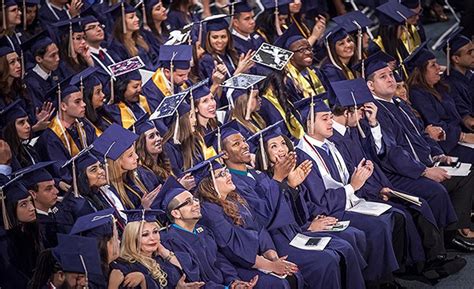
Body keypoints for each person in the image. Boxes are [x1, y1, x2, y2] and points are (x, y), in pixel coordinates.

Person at [209, 121, 367, 289]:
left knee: (345, 246)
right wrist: (279, 181)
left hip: (291, 231)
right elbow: (263, 217)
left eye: (243, 140)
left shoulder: (256, 174)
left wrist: (292, 187)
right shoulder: (234, 184)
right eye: (236, 143)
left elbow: (284, 206)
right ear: (224, 155)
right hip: (276, 241)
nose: (244, 145)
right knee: (327, 260)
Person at [360, 50, 474, 250]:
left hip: (419, 166)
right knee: (435, 191)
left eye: (390, 75)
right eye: (383, 76)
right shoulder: (374, 112)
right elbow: (391, 153)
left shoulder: (399, 105)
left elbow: (421, 135)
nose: (391, 79)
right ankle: (443, 243)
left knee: (466, 174)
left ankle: (456, 230)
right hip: (397, 175)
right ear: (370, 86)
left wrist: (437, 155)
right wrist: (424, 171)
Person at [293, 97, 405, 287]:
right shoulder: (304, 156)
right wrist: (353, 186)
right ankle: (375, 282)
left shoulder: (330, 146)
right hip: (329, 211)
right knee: (378, 226)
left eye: (330, 117)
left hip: (345, 202)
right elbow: (318, 201)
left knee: (391, 215)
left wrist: (362, 173)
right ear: (309, 123)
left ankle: (384, 278)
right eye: (324, 118)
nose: (330, 122)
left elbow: (347, 179)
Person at [160, 175, 260, 288]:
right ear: (176, 213)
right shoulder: (170, 240)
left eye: (195, 199)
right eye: (188, 202)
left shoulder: (203, 231)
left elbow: (220, 262)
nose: (196, 203)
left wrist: (234, 282)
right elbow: (194, 281)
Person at [406, 43, 474, 163]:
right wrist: (463, 136)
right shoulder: (417, 94)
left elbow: (458, 111)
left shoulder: (440, 86)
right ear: (421, 71)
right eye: (433, 65)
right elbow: (434, 125)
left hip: (459, 137)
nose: (438, 67)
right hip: (446, 144)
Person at [109, 209, 203, 289]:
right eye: (145, 234)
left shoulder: (159, 259)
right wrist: (144, 281)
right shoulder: (127, 267)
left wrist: (164, 252)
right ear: (132, 238)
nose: (153, 238)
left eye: (155, 232)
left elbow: (189, 273)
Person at [35, 78, 97, 187]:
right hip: (75, 188)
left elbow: (97, 151)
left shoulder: (84, 125)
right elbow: (63, 173)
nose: (84, 104)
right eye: (77, 102)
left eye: (82, 100)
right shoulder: (51, 138)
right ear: (63, 106)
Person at [92, 123, 161, 211]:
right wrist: (143, 208)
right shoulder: (110, 193)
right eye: (130, 155)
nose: (136, 157)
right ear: (117, 162)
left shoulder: (136, 176)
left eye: (134, 152)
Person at [134, 114, 196, 191]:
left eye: (157, 134)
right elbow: (159, 200)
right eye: (151, 136)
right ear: (142, 144)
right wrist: (181, 187)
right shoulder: (144, 173)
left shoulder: (163, 163)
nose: (158, 138)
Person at [0, 173, 41, 289]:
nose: (32, 208)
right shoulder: (4, 245)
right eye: (24, 204)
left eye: (30, 201)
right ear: (9, 210)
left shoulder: (31, 230)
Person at [273, 24, 327, 103]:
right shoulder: (288, 81)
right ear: (290, 55)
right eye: (301, 50)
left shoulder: (316, 72)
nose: (308, 52)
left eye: (309, 48)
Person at [70, 209, 122, 288]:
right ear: (104, 245)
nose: (118, 242)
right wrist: (113, 285)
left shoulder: (115, 267)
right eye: (114, 239)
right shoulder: (87, 281)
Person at [106, 3, 158, 71]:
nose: (137, 19)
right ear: (121, 22)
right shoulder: (116, 46)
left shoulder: (140, 37)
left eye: (136, 16)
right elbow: (122, 71)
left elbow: (154, 57)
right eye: (131, 17)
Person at [441, 28, 474, 131]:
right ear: (456, 59)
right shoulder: (449, 84)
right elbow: (465, 117)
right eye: (469, 53)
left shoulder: (470, 73)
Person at [21, 161, 60, 248]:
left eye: (54, 186)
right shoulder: (35, 228)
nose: (56, 191)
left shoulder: (62, 210)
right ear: (33, 194)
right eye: (49, 189)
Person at [373, 1, 415, 80]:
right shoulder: (376, 47)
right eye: (401, 29)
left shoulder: (397, 41)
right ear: (391, 30)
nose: (403, 32)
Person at [22, 31, 62, 109]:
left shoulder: (56, 73)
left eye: (58, 53)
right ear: (39, 59)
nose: (58, 58)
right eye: (52, 55)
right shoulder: (31, 82)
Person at [82, 15, 117, 98]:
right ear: (83, 35)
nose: (99, 29)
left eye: (100, 26)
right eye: (92, 27)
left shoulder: (110, 52)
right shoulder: (84, 59)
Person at [1, 100, 41, 169]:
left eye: (27, 121)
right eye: (21, 122)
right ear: (10, 128)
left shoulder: (28, 150)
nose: (28, 126)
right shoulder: (4, 155)